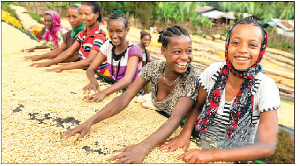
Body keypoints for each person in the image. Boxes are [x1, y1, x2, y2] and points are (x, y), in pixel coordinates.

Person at [61, 25, 201, 164]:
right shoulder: (154, 68)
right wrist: (89, 122)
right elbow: (124, 98)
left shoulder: (191, 78)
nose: (185, 57)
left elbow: (175, 120)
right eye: (177, 52)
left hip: (184, 123)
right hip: (160, 114)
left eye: (189, 51)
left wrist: (142, 148)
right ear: (163, 51)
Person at [159, 17, 280, 164]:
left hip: (235, 156)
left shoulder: (265, 86)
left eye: (252, 45)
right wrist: (185, 134)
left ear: (261, 50)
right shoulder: (214, 71)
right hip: (198, 141)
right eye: (236, 42)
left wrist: (212, 156)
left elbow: (267, 146)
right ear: (227, 44)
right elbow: (197, 106)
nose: (242, 50)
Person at [82, 10, 143, 102]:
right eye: (111, 31)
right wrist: (93, 81)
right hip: (114, 87)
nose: (114, 36)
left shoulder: (133, 49)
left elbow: (127, 79)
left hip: (132, 92)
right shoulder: (108, 45)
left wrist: (104, 93)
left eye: (119, 31)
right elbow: (91, 68)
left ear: (127, 30)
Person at [37, 2, 107, 74]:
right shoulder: (83, 33)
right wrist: (48, 63)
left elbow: (88, 61)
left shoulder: (99, 35)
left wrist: (61, 67)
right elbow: (68, 52)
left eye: (87, 14)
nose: (83, 17)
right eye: (81, 14)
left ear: (97, 15)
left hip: (97, 73)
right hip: (85, 70)